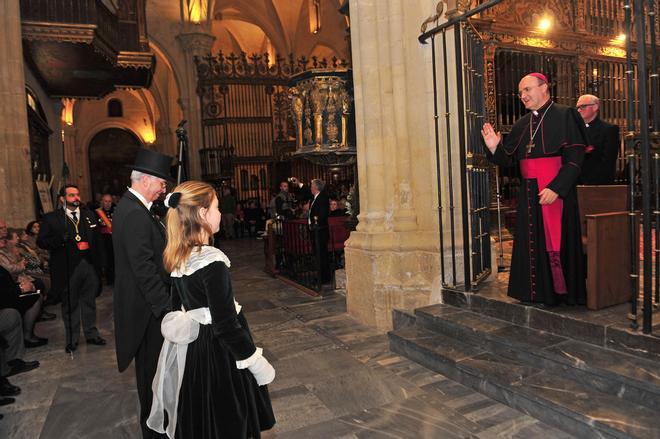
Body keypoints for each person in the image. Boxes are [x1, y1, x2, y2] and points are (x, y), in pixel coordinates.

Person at [147, 181, 275, 439]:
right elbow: (226, 325)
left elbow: (178, 307)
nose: (219, 213)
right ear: (203, 213)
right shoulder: (212, 260)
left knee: (206, 416)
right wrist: (255, 361)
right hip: (221, 355)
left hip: (198, 351)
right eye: (216, 207)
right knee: (230, 417)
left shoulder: (181, 256)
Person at [481, 72, 587, 306]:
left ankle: (560, 293)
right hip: (529, 193)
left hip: (555, 192)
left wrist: (557, 188)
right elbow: (508, 160)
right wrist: (494, 148)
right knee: (532, 243)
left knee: (556, 241)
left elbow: (575, 159)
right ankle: (535, 293)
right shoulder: (521, 124)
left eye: (527, 90)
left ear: (544, 88)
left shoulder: (565, 115)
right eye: (520, 93)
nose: (523, 96)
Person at [112, 148, 173, 439]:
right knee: (152, 377)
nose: (164, 189)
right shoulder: (134, 213)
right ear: (147, 180)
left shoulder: (132, 208)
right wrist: (166, 310)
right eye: (162, 183)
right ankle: (154, 432)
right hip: (147, 313)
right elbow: (144, 270)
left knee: (153, 376)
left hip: (145, 309)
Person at [38, 184, 105, 352]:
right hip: (67, 267)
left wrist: (101, 266)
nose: (76, 198)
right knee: (70, 304)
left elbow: (98, 242)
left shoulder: (89, 216)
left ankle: (91, 334)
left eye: (77, 194)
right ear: (62, 198)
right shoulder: (51, 218)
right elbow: (42, 242)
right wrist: (59, 239)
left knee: (89, 301)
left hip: (88, 265)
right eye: (71, 195)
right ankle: (72, 339)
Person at [289, 177, 331, 284]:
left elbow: (322, 214)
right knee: (318, 255)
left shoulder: (323, 197)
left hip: (320, 231)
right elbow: (306, 190)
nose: (311, 188)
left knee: (322, 255)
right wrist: (299, 184)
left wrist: (314, 225)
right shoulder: (315, 196)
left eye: (312, 186)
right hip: (315, 231)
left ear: (316, 188)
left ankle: (324, 278)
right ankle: (322, 277)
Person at [576, 94, 620, 185]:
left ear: (595, 107)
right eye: (577, 107)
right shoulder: (574, 129)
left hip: (598, 184)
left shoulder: (609, 129)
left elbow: (608, 161)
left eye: (583, 106)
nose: (579, 110)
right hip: (575, 182)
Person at [96, 194, 116, 285]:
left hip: (114, 240)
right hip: (103, 241)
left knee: (115, 260)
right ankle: (109, 279)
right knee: (106, 261)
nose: (107, 204)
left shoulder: (117, 211)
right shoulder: (97, 213)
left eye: (109, 201)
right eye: (105, 201)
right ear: (102, 202)